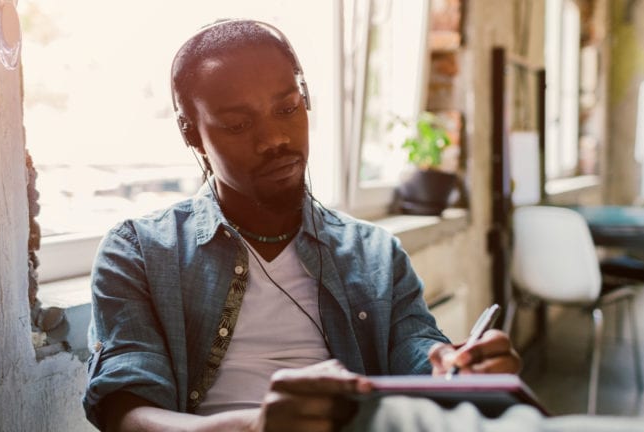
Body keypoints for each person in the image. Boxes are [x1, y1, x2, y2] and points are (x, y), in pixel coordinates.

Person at [83, 19, 521, 432]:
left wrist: (456, 366)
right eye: (238, 124)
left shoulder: (374, 252)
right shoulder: (140, 251)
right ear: (192, 134)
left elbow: (418, 352)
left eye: (287, 108)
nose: (274, 138)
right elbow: (125, 411)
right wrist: (256, 426)